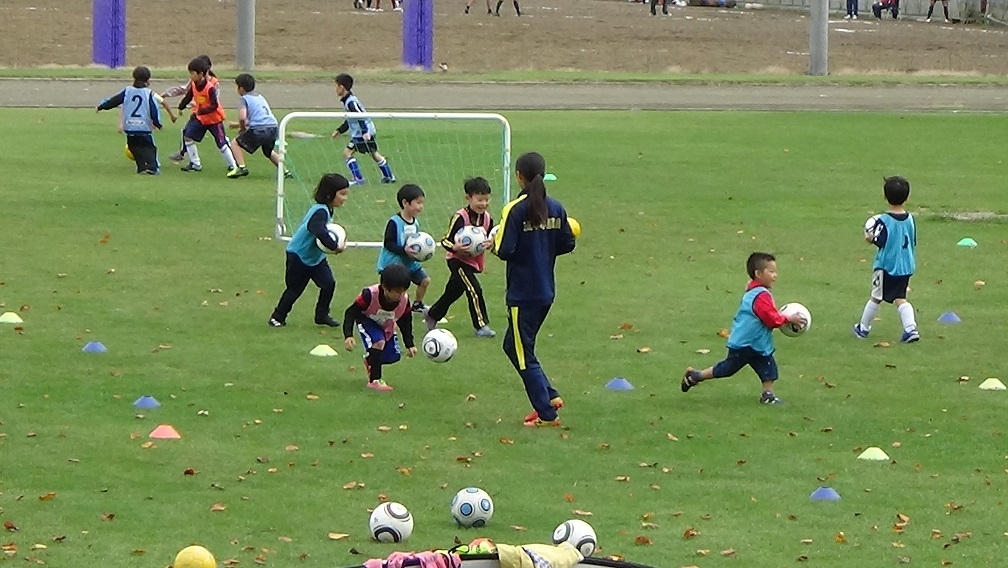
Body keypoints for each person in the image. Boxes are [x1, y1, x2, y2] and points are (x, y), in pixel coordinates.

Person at [494, 151, 576, 427]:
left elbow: (504, 249)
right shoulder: (556, 207)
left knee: (521, 352)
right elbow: (568, 244)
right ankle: (550, 395)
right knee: (514, 345)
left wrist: (491, 242)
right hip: (545, 292)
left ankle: (546, 412)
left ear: (519, 176)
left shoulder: (515, 210)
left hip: (522, 294)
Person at [681, 253, 806, 405]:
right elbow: (772, 319)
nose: (775, 276)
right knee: (727, 369)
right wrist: (788, 319)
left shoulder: (756, 291)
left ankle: (767, 395)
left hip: (758, 343)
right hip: (745, 343)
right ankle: (695, 376)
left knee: (769, 368)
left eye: (775, 271)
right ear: (758, 274)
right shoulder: (760, 296)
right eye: (771, 272)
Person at [267, 174, 349, 328]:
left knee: (328, 284)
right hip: (298, 256)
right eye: (342, 194)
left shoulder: (327, 210)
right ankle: (277, 317)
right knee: (294, 289)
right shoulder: (320, 211)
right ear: (329, 194)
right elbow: (317, 230)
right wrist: (335, 246)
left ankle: (321, 315)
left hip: (315, 258)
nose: (345, 198)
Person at [423, 177, 496, 338]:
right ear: (468, 198)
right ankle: (481, 326)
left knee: (453, 292)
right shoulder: (460, 217)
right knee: (474, 289)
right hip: (457, 261)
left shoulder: (487, 218)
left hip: (474, 261)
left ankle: (432, 314)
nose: (483, 203)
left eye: (486, 199)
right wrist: (455, 247)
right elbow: (445, 240)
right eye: (479, 199)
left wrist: (491, 243)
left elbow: (491, 237)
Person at [853, 176, 920, 343]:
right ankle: (911, 328)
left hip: (886, 266)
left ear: (885, 197)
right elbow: (913, 240)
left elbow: (879, 240)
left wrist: (870, 238)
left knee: (876, 297)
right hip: (905, 266)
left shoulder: (883, 220)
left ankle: (863, 328)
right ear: (907, 197)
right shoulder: (910, 218)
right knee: (900, 298)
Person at [342, 264, 417, 392]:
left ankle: (370, 360)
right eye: (397, 292)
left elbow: (406, 321)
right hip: (367, 321)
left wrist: (409, 344)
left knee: (393, 356)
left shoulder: (404, 300)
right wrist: (348, 335)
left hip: (387, 326)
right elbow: (351, 312)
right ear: (385, 288)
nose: (401, 295)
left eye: (403, 291)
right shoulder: (369, 295)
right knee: (378, 342)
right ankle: (375, 381)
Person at [96, 65, 171, 175]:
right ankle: (152, 168)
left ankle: (141, 167)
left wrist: (101, 106)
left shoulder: (127, 91)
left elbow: (114, 101)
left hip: (130, 128)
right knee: (149, 148)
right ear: (148, 80)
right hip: (144, 127)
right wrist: (157, 123)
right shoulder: (148, 93)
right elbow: (153, 110)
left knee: (135, 148)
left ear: (133, 78)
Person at [176, 57, 241, 177]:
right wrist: (181, 106)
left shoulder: (210, 88)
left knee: (221, 143)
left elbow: (214, 105)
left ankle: (234, 166)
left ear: (200, 74)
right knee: (188, 137)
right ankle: (195, 164)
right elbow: (189, 96)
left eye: (192, 73)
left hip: (214, 119)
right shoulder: (195, 85)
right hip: (202, 119)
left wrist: (201, 111)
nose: (190, 76)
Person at [330, 73, 396, 186]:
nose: (335, 89)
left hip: (362, 133)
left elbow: (360, 116)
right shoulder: (349, 100)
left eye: (336, 86)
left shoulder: (351, 102)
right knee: (373, 153)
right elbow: (351, 119)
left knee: (347, 153)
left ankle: (358, 178)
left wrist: (365, 132)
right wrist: (340, 130)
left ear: (341, 87)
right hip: (366, 131)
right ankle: (389, 176)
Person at [377, 184, 433, 313]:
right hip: (392, 265)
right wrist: (404, 251)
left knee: (425, 280)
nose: (421, 207)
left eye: (422, 203)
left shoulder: (415, 223)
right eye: (418, 203)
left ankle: (417, 304)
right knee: (394, 290)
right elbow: (388, 243)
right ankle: (385, 308)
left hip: (409, 263)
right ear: (405, 203)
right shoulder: (394, 222)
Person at [226, 73, 290, 179]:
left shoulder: (244, 99)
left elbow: (243, 117)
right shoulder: (260, 97)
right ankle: (285, 171)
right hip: (273, 127)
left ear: (241, 88)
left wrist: (241, 129)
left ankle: (241, 167)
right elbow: (258, 117)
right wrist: (237, 124)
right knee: (268, 152)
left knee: (235, 143)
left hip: (259, 129)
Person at [164, 54, 214, 163]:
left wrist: (196, 104)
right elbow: (185, 90)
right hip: (199, 114)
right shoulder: (194, 81)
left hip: (211, 115)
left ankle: (231, 155)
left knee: (220, 139)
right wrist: (167, 94)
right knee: (187, 132)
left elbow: (214, 101)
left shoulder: (213, 83)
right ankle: (185, 155)